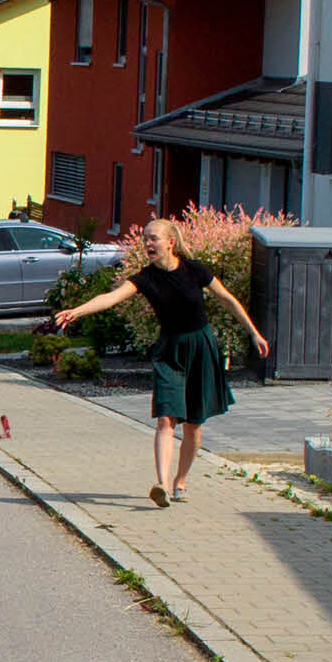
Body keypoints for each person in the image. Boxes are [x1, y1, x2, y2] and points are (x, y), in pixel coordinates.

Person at [53, 217, 270, 508]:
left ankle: (180, 481)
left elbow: (227, 300)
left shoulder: (194, 270)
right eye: (145, 238)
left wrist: (253, 332)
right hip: (170, 351)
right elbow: (111, 297)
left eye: (153, 238)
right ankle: (162, 484)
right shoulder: (146, 278)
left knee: (193, 425)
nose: (147, 243)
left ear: (170, 241)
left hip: (200, 347)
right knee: (165, 418)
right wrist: (77, 311)